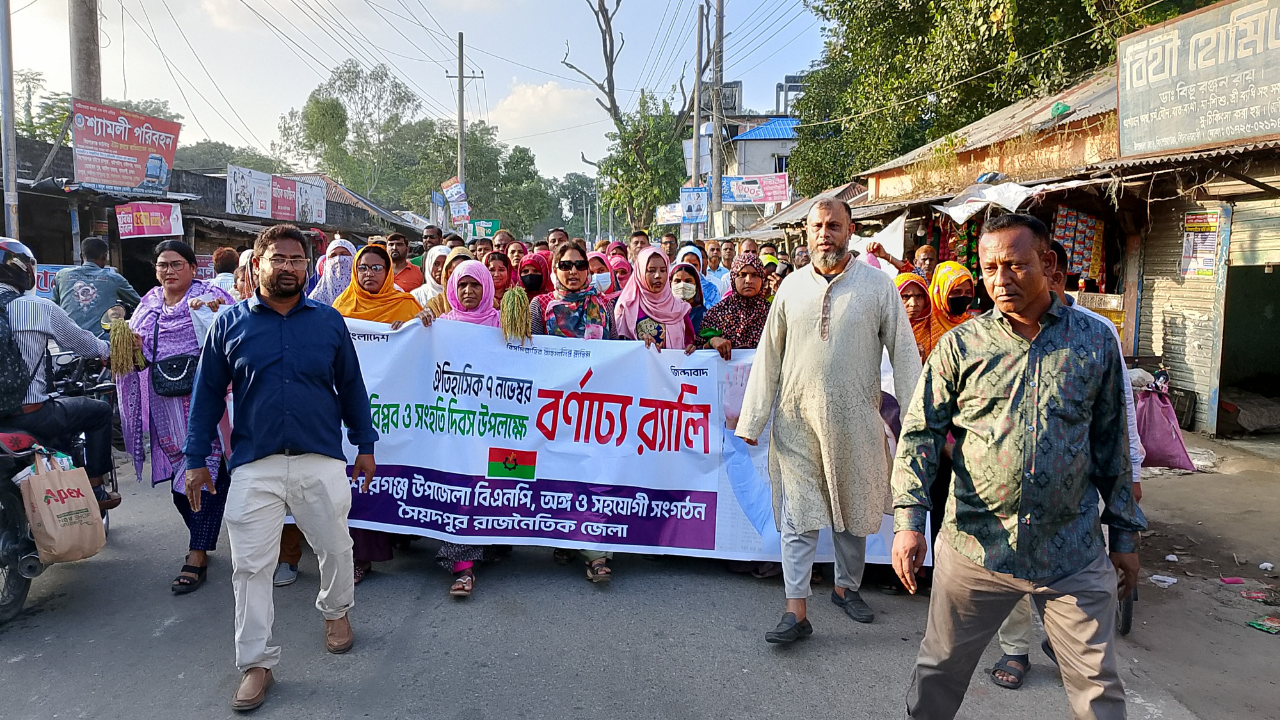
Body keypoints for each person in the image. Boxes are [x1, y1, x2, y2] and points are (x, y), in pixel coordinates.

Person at [890, 213, 1144, 720]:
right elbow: (919, 434)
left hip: (1070, 552)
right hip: (975, 548)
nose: (1000, 279)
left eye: (1015, 265)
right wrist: (908, 523)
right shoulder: (960, 345)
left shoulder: (1094, 343)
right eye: (989, 268)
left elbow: (1112, 444)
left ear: (1047, 263)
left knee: (1099, 690)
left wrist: (1125, 540)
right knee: (937, 674)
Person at [183, 224, 379, 712]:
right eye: (278, 258)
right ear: (258, 262)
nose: (288, 266)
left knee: (335, 546)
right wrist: (194, 460)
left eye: (296, 259)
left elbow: (352, 387)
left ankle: (336, 612)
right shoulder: (230, 324)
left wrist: (365, 444)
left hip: (320, 458)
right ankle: (256, 663)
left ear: (308, 267)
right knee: (251, 566)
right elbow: (206, 396)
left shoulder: (329, 322)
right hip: (254, 463)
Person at [734, 199, 922, 644]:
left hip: (856, 421)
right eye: (817, 226)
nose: (824, 234)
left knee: (851, 513)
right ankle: (795, 610)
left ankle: (845, 588)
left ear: (850, 230)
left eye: (834, 225)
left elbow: (905, 355)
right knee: (798, 517)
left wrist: (916, 421)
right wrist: (752, 419)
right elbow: (769, 357)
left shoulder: (879, 287)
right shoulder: (790, 289)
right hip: (796, 421)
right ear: (806, 232)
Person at [987, 239, 1146, 692]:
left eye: (1046, 277)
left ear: (1055, 273)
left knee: (1074, 568)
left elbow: (1120, 417)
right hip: (1007, 492)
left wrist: (1131, 473)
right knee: (1009, 569)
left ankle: (1063, 640)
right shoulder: (995, 334)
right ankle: (1015, 648)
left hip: (1076, 489)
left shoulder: (1096, 334)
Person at [117, 239, 235, 593]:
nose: (168, 271)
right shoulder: (148, 305)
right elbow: (137, 361)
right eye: (162, 265)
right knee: (179, 486)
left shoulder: (214, 297)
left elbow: (233, 336)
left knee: (207, 473)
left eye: (176, 264)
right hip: (165, 407)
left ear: (192, 268)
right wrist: (129, 347)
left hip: (206, 404)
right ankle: (201, 538)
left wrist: (211, 314)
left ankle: (196, 553)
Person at [330, 244, 429, 583]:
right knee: (352, 483)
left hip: (394, 411)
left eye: (376, 268)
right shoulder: (339, 309)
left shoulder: (405, 305)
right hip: (351, 411)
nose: (369, 274)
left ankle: (394, 535)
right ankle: (356, 557)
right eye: (363, 268)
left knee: (389, 475)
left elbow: (423, 354)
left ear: (389, 273)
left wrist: (421, 325)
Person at [0, 238, 118, 511]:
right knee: (99, 412)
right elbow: (86, 345)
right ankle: (96, 487)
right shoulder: (39, 308)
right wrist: (108, 350)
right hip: (31, 416)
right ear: (23, 270)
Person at [529, 243, 618, 580]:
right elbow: (535, 352)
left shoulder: (603, 305)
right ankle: (564, 538)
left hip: (594, 405)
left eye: (580, 265)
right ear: (556, 269)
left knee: (592, 474)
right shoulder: (540, 305)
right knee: (559, 472)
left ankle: (596, 553)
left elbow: (613, 349)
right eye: (565, 265)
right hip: (554, 405)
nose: (574, 271)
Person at [51, 235, 141, 338]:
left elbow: (53, 307)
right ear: (104, 256)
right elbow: (142, 304)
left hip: (66, 345)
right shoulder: (114, 279)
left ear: (81, 256)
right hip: (103, 344)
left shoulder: (62, 275)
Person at [614, 247, 696, 353]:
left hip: (674, 368)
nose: (658, 276)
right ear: (640, 273)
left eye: (663, 270)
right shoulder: (626, 307)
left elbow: (689, 343)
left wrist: (691, 349)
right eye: (651, 271)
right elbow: (618, 347)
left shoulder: (679, 308)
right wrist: (639, 343)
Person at [699, 251, 769, 361]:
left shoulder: (771, 313)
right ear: (733, 278)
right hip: (724, 376)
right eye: (742, 275)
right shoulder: (717, 313)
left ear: (762, 279)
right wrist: (711, 341)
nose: (748, 281)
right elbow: (697, 351)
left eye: (755, 275)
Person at [894, 273, 933, 362]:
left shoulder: (934, 327)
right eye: (905, 296)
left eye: (919, 296)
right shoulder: (883, 328)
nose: (914, 303)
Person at [426, 247, 474, 318]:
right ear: (446, 275)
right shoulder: (435, 305)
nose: (459, 278)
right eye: (453, 273)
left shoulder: (488, 303)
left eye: (464, 272)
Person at [309, 239, 357, 306]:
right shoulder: (316, 299)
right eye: (333, 255)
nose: (338, 259)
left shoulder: (364, 294)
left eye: (343, 254)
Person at [669, 262, 706, 333]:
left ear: (696, 285)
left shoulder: (703, 314)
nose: (682, 285)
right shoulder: (664, 312)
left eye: (688, 281)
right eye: (677, 281)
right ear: (670, 283)